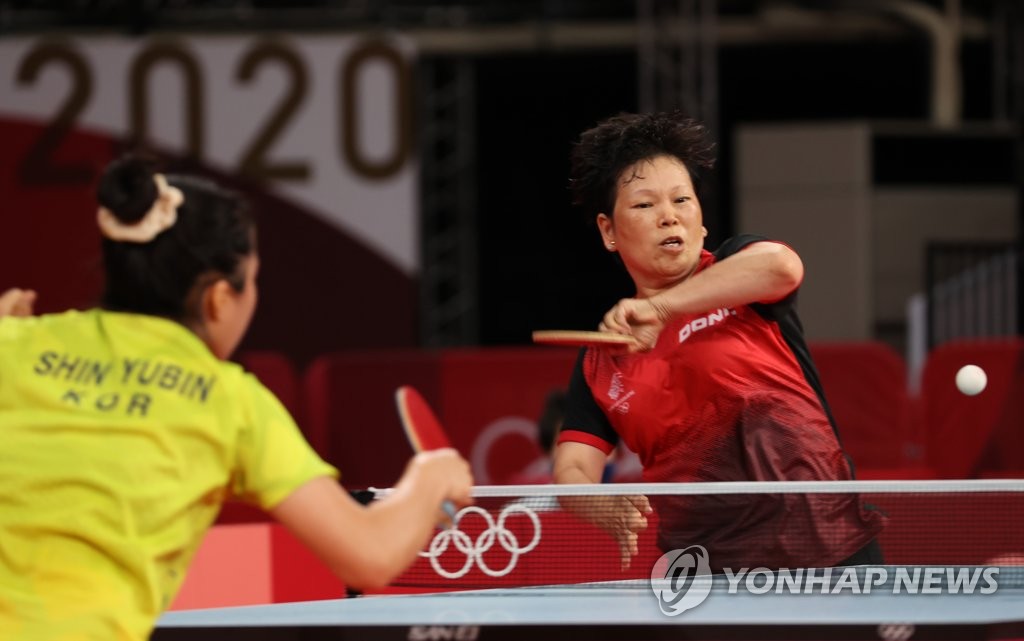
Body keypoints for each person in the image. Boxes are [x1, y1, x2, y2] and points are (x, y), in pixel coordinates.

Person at [0, 156, 473, 641]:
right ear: (220, 299)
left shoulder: (12, 343)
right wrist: (430, 477)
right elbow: (369, 555)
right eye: (254, 280)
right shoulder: (229, 401)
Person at [551, 111, 884, 572]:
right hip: (706, 575)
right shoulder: (602, 358)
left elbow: (782, 266)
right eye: (645, 205)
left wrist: (662, 309)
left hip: (828, 550)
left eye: (681, 200)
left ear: (702, 221)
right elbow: (572, 468)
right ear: (609, 231)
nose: (669, 216)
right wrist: (594, 502)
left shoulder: (737, 274)